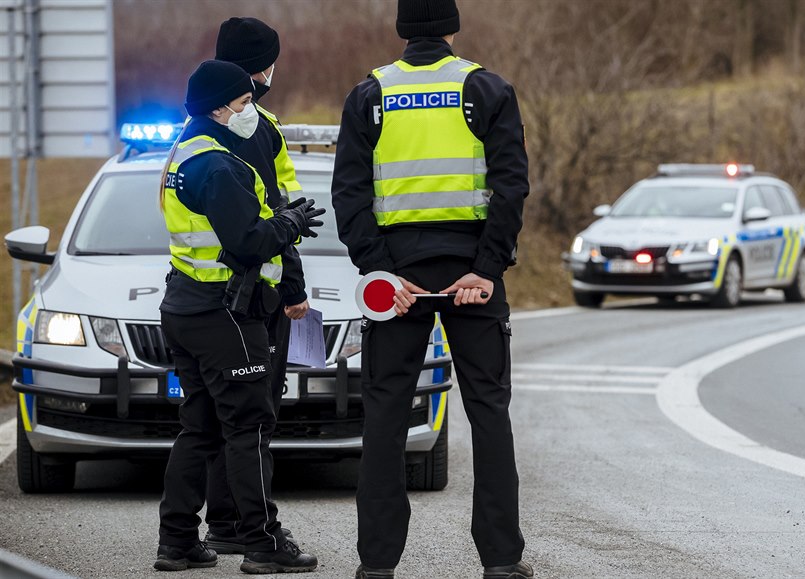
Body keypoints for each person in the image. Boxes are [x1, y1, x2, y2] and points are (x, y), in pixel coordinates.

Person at [331, 1, 533, 577]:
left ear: (402, 30)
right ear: (451, 26)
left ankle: (376, 566)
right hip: (471, 275)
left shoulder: (369, 96)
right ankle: (500, 562)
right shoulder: (485, 89)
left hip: (398, 280)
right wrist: (488, 271)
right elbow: (511, 186)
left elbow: (348, 195)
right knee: (489, 412)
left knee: (386, 418)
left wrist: (379, 272)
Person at [154, 59, 321, 574]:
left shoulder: (185, 153)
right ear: (220, 107)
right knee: (248, 427)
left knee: (199, 428)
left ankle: (177, 541)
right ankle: (262, 543)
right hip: (225, 313)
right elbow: (247, 243)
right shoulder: (221, 167)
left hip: (185, 304)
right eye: (244, 103)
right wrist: (291, 222)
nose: (250, 110)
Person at [203, 15, 309, 556]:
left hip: (204, 299)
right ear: (262, 68)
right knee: (256, 421)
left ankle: (221, 524)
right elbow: (277, 220)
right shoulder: (256, 126)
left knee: (222, 420)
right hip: (255, 296)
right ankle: (257, 535)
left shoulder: (200, 126)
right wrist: (294, 290)